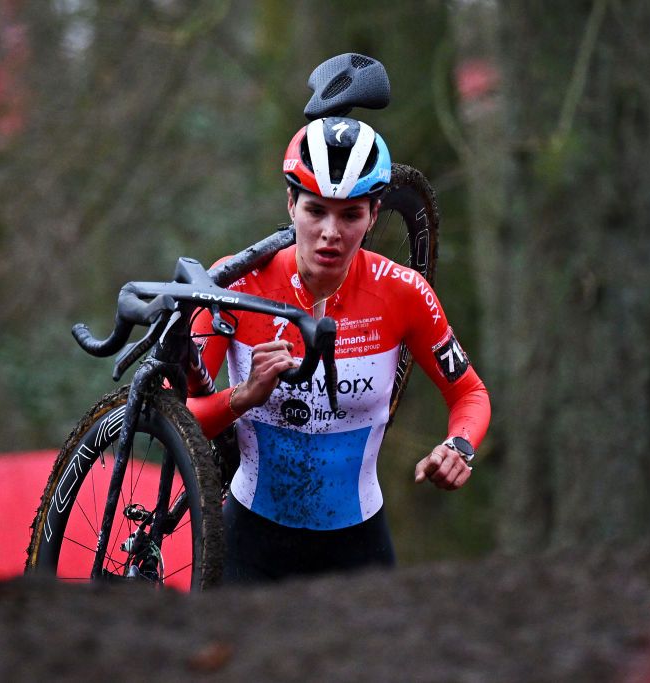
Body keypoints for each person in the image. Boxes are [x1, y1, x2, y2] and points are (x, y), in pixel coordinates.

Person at [187, 116, 490, 583]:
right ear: (291, 205)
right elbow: (184, 418)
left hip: (358, 547)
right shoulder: (235, 282)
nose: (331, 232)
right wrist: (244, 395)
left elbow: (469, 394)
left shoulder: (403, 292)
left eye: (350, 215)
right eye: (316, 211)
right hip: (250, 541)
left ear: (372, 216)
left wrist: (459, 446)